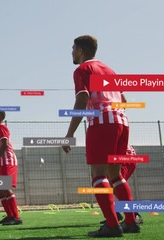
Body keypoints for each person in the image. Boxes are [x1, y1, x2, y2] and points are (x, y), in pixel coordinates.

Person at [62, 35, 140, 237]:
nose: (71, 52)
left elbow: (83, 98)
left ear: (80, 50)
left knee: (98, 175)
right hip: (122, 120)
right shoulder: (109, 70)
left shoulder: (82, 69)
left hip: (102, 121)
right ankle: (131, 222)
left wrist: (70, 133)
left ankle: (113, 226)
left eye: (73, 48)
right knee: (116, 175)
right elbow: (122, 99)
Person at [0, 111, 22, 226]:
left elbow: (5, 144)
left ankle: (16, 217)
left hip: (8, 161)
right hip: (3, 162)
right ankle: (9, 216)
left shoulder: (1, 127)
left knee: (5, 187)